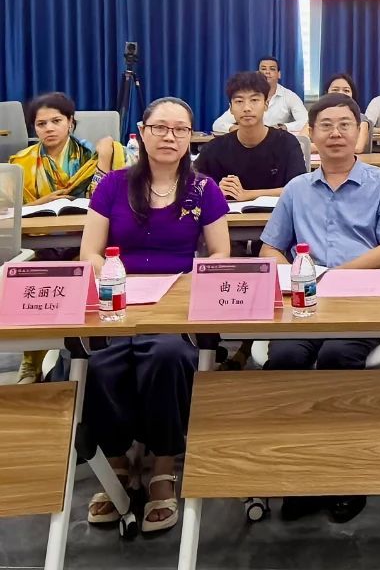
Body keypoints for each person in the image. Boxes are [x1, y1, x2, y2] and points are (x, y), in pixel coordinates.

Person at [258, 92, 380, 522]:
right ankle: (300, 470)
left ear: (359, 132)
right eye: (325, 125)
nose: (335, 133)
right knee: (285, 360)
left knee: (337, 356)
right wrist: (297, 274)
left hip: (363, 300)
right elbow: (271, 248)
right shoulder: (296, 189)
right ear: (311, 134)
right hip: (306, 302)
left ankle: (346, 473)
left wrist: (335, 274)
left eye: (344, 124)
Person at [79, 97, 231, 534]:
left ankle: (164, 462)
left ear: (190, 138)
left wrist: (187, 287)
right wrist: (115, 279)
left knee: (167, 355)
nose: (170, 137)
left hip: (177, 303)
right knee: (100, 362)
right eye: (160, 128)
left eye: (180, 129)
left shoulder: (203, 189)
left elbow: (220, 254)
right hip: (117, 301)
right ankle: (117, 460)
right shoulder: (112, 185)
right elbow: (89, 252)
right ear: (142, 133)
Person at [8, 92, 126, 383]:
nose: (49, 128)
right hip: (39, 246)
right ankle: (31, 360)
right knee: (33, 279)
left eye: (56, 121)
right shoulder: (21, 162)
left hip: (83, 243)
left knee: (85, 273)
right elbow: (8, 210)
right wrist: (40, 203)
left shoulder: (93, 156)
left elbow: (108, 198)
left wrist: (103, 163)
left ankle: (81, 354)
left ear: (71, 123)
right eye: (41, 124)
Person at [195, 72, 307, 202]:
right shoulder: (214, 149)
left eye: (254, 100)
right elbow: (194, 187)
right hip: (229, 215)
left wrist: (248, 194)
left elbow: (299, 188)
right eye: (239, 101)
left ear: (266, 105)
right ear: (231, 108)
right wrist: (215, 191)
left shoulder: (287, 143)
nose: (247, 108)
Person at [212, 56, 306, 133]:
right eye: (263, 69)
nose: (267, 72)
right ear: (257, 73)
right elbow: (218, 124)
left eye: (272, 69)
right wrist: (235, 128)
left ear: (279, 74)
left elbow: (305, 121)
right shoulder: (246, 96)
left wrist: (283, 127)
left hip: (278, 140)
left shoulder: (290, 96)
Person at [314, 73, 371, 152]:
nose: (340, 93)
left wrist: (319, 146)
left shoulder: (361, 118)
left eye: (346, 90)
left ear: (352, 95)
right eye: (335, 90)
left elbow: (358, 147)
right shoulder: (316, 116)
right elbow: (302, 143)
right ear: (326, 93)